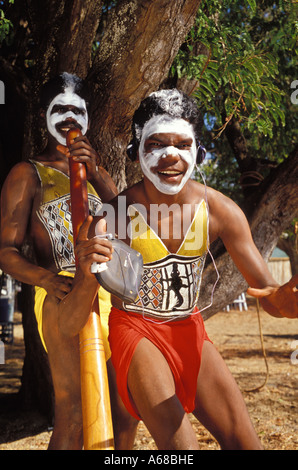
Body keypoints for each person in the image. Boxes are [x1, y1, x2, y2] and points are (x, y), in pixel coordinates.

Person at [69, 88, 297, 450]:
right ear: (135, 151)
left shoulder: (222, 212)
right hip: (137, 330)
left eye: (181, 144)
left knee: (247, 444)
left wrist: (285, 301)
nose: (169, 156)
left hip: (190, 329)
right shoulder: (111, 218)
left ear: (198, 152)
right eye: (156, 144)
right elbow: (80, 305)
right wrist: (85, 271)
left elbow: (266, 291)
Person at [0, 72, 138, 449]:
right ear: (44, 115)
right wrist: (44, 280)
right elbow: (6, 251)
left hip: (114, 294)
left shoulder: (97, 174)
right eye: (59, 109)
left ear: (88, 119)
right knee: (76, 412)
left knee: (125, 410)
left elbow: (132, 227)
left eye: (77, 111)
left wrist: (98, 173)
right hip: (61, 292)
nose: (69, 118)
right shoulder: (28, 174)